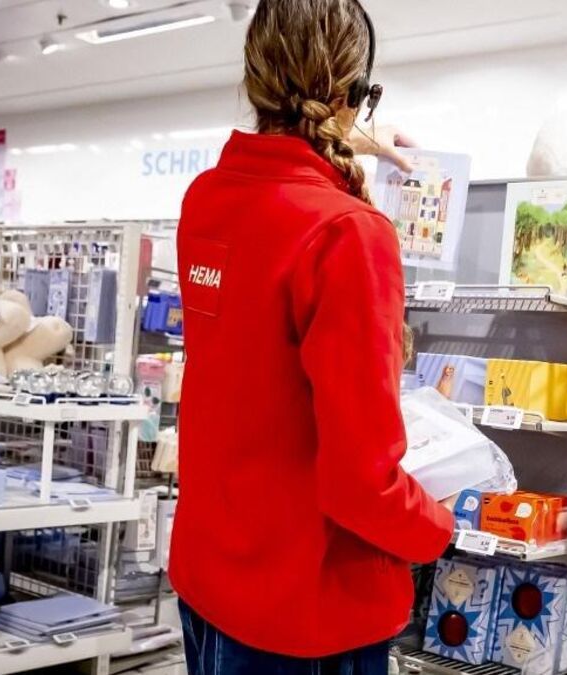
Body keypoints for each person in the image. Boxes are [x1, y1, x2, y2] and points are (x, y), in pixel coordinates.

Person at [169, 1, 455, 673]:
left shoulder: (207, 199)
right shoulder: (348, 233)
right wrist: (443, 525)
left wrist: (339, 147)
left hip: (211, 583)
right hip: (309, 611)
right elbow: (361, 484)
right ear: (355, 94)